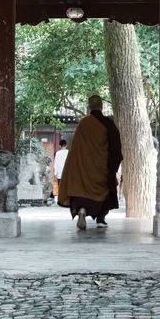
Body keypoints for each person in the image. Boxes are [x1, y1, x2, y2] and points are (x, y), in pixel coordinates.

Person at [58, 95, 122, 230]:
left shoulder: (83, 123)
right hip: (101, 168)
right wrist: (113, 166)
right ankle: (101, 219)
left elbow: (75, 149)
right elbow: (116, 147)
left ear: (89, 107)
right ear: (102, 106)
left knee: (82, 192)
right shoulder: (107, 123)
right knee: (105, 192)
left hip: (84, 169)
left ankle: (82, 209)